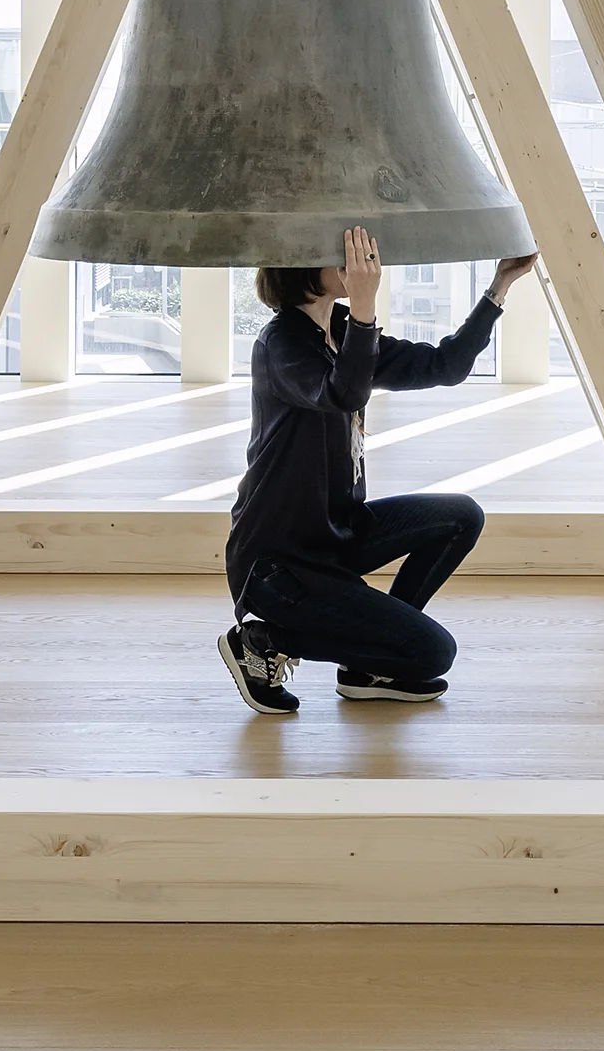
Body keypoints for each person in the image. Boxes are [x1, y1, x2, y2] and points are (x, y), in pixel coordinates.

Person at [219, 224, 539, 715]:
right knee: (433, 654)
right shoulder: (281, 344)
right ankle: (262, 641)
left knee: (461, 516)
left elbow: (444, 366)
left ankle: (367, 665)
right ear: (304, 264)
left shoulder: (342, 329)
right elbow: (342, 392)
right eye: (345, 254)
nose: (362, 262)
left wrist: (500, 286)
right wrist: (365, 306)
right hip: (280, 564)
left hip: (337, 536)